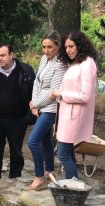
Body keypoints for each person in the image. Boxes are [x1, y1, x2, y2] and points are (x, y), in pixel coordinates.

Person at [0, 43, 35, 180]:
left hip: (18, 120)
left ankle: (15, 179)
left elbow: (35, 92)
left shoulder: (26, 71)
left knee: (16, 151)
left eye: (2, 55)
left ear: (11, 55)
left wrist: (29, 116)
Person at [51, 31, 97, 179]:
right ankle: (72, 189)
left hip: (74, 118)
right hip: (67, 115)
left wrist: (61, 94)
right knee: (68, 153)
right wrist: (59, 94)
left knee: (63, 154)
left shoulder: (87, 64)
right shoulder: (77, 63)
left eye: (71, 46)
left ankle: (72, 188)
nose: (68, 50)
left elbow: (85, 95)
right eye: (66, 47)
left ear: (80, 45)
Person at [26, 31, 68, 190]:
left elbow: (53, 92)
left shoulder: (61, 64)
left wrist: (35, 103)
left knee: (32, 141)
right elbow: (37, 82)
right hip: (39, 106)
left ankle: (39, 176)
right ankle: (49, 170)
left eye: (50, 47)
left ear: (58, 46)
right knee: (45, 141)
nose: (46, 50)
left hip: (50, 109)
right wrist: (34, 104)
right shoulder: (44, 59)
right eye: (43, 47)